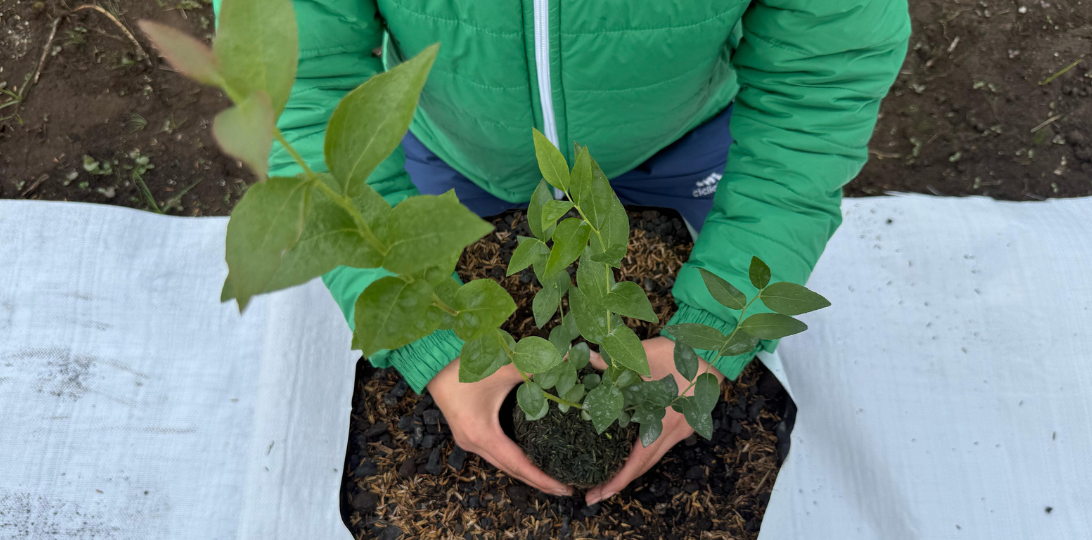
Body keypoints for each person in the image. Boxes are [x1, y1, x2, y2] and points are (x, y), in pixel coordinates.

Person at [250, 0, 909, 505]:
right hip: (454, 149)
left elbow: (819, 88)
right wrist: (430, 341)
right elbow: (303, 97)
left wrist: (713, 335)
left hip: (685, 142)